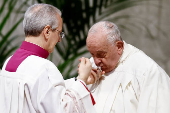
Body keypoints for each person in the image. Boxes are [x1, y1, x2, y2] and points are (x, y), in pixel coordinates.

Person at [0, 3, 98, 113]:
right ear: (47, 31)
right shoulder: (43, 67)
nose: (60, 40)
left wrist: (78, 80)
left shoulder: (9, 62)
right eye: (59, 33)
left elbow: (40, 95)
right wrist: (82, 80)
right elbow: (62, 110)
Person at [85, 21, 170, 113]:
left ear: (119, 47)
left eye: (101, 54)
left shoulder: (147, 72)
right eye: (92, 54)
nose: (96, 61)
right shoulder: (91, 65)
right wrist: (82, 82)